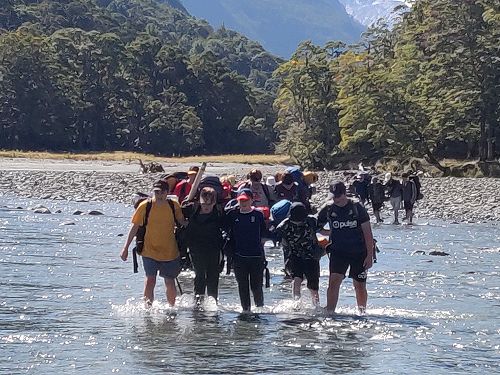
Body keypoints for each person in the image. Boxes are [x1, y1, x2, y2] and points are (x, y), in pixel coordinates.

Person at [120, 179, 185, 306]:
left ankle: (172, 309)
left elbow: (182, 221)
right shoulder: (145, 205)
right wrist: (125, 247)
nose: (159, 195)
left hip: (170, 251)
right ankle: (148, 309)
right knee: (150, 280)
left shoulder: (174, 205)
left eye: (161, 192)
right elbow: (135, 227)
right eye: (156, 192)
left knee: (169, 281)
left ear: (167, 192)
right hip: (149, 250)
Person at [317, 181, 374, 314]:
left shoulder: (357, 207)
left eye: (338, 196)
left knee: (359, 285)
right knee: (334, 282)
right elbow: (317, 227)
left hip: (359, 252)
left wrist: (369, 255)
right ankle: (330, 311)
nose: (335, 199)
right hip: (338, 251)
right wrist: (330, 232)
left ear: (344, 194)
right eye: (333, 196)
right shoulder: (328, 208)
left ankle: (361, 312)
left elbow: (368, 233)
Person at [224, 188, 267, 312]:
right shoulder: (232, 214)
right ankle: (246, 310)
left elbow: (264, 233)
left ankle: (260, 308)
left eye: (246, 200)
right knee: (242, 285)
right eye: (241, 201)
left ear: (252, 200)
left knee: (256, 286)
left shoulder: (258, 215)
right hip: (239, 257)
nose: (243, 203)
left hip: (256, 256)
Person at [183, 187, 224, 303]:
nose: (206, 207)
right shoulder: (191, 209)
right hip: (196, 248)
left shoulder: (219, 212)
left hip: (214, 248)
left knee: (213, 276)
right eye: (204, 204)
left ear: (214, 202)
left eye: (209, 204)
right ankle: (198, 303)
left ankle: (213, 301)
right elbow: (177, 214)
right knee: (200, 275)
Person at [277, 202, 321, 305]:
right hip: (294, 256)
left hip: (312, 256)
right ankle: (296, 303)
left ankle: (316, 305)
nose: (298, 223)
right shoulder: (283, 226)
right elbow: (283, 244)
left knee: (313, 284)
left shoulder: (311, 221)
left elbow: (322, 231)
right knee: (297, 279)